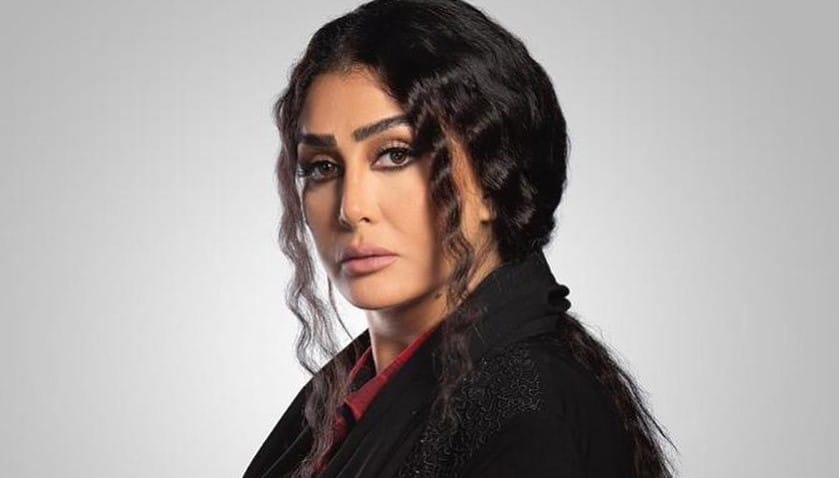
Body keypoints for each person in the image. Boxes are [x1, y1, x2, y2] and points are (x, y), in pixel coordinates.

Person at [243, 1, 677, 477]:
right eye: (322, 166)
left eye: (395, 155)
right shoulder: (346, 395)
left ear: (495, 179)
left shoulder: (524, 411)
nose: (351, 208)